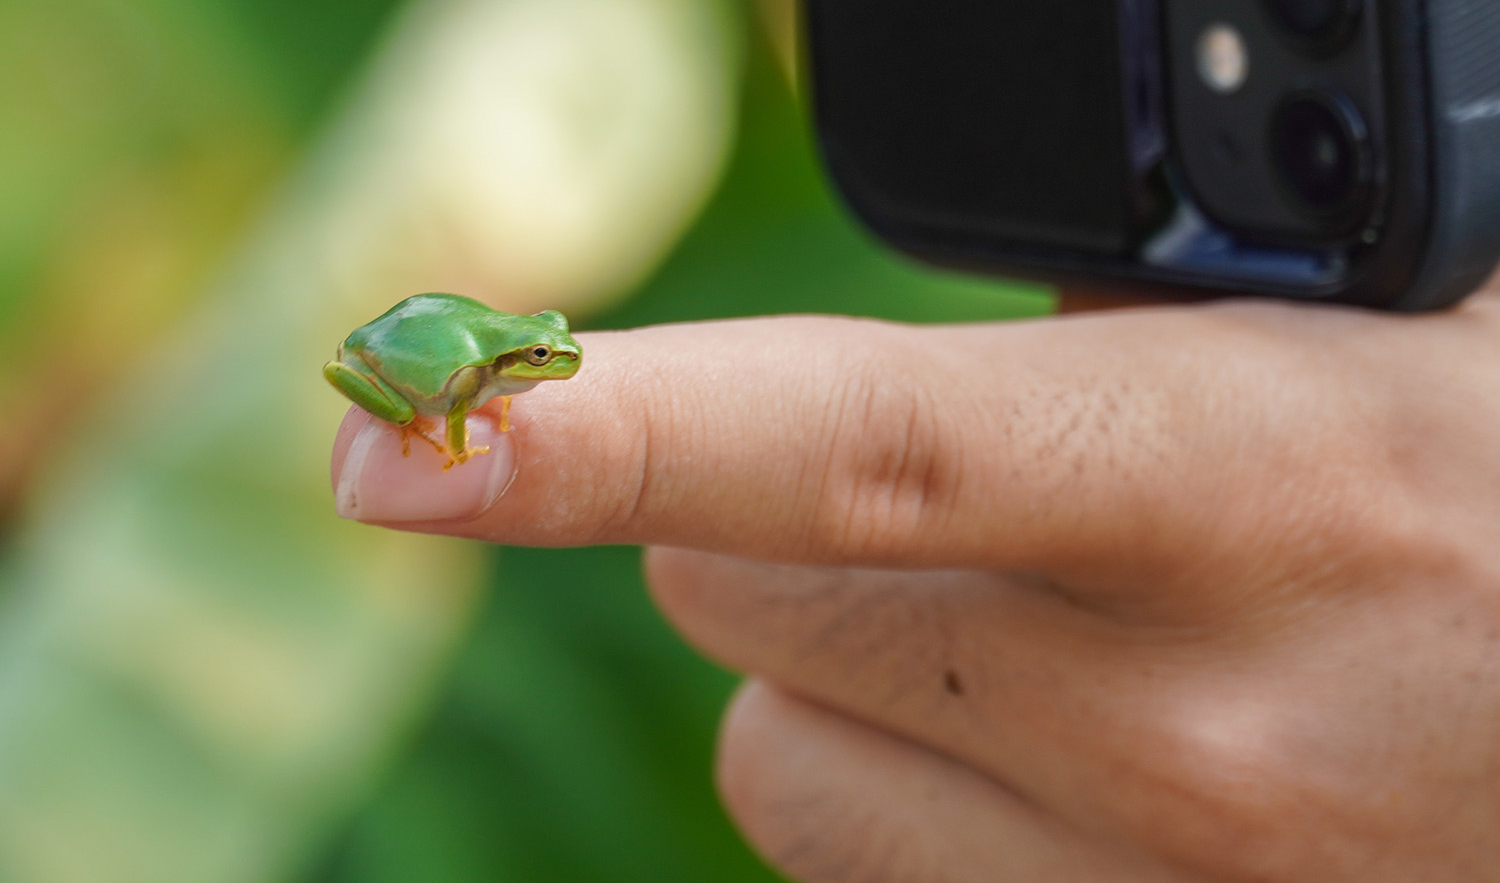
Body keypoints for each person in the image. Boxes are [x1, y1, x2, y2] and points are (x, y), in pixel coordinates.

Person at [331, 283, 1500, 881]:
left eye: (547, 350)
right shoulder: (476, 374)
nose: (557, 363)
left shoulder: (521, 358)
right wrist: (445, 417)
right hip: (414, 366)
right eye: (540, 362)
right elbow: (434, 364)